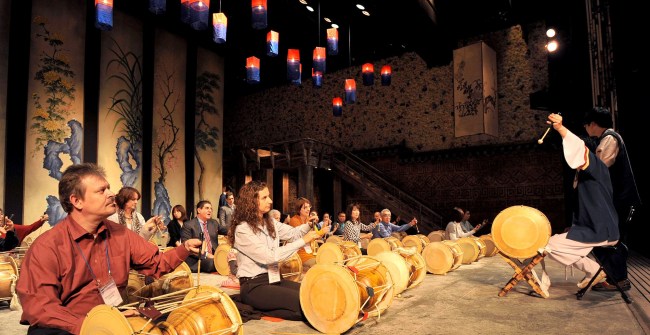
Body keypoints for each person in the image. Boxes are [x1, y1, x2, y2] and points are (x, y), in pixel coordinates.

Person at [15, 163, 202, 335]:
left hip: (114, 313)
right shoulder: (47, 246)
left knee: (169, 320)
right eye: (102, 190)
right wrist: (93, 326)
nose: (111, 194)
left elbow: (156, 263)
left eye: (109, 188)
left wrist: (184, 248)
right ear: (77, 201)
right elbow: (42, 308)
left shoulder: (121, 234)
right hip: (70, 325)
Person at [536, 113, 620, 296]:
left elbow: (578, 148)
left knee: (547, 245)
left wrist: (560, 128)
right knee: (555, 243)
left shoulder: (597, 168)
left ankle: (595, 270)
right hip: (596, 227)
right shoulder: (593, 175)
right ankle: (594, 271)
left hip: (600, 230)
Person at [228, 181, 327, 320]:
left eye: (268, 196)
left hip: (273, 278)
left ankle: (263, 308)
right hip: (254, 285)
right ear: (251, 201)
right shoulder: (242, 230)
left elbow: (293, 234)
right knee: (304, 304)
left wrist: (309, 225)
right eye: (264, 198)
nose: (270, 200)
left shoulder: (269, 222)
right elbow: (269, 257)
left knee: (311, 293)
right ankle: (258, 307)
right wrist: (304, 240)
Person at [583, 106, 641, 292]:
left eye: (587, 125)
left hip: (619, 200)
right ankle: (613, 277)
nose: (586, 129)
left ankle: (619, 279)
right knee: (605, 239)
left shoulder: (610, 138)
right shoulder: (607, 138)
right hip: (616, 201)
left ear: (592, 124)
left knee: (609, 240)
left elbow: (599, 169)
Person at [181, 200, 219, 273]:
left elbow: (227, 230)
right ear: (199, 210)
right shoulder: (188, 225)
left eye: (211, 209)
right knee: (212, 263)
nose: (210, 210)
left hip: (214, 256)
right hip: (197, 259)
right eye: (207, 208)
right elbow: (186, 247)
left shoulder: (214, 223)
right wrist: (206, 254)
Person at [288, 198, 320, 272]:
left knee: (325, 259)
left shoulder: (308, 219)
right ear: (299, 209)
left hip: (311, 251)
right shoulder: (294, 220)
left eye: (309, 207)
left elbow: (317, 235)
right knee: (318, 265)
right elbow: (302, 237)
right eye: (305, 207)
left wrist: (324, 226)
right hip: (300, 253)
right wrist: (309, 224)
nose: (308, 209)